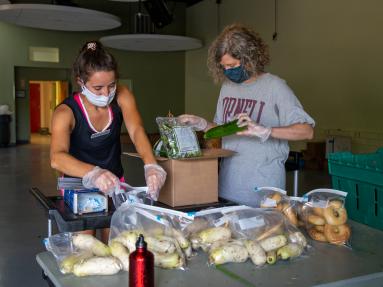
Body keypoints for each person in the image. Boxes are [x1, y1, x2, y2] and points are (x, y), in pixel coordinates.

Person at [178, 24, 315, 207]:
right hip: (227, 189)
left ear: (249, 58)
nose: (228, 71)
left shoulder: (275, 87)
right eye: (224, 67)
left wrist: (266, 131)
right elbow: (221, 130)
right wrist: (202, 124)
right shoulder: (227, 87)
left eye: (232, 65)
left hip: (265, 193)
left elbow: (306, 131)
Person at [50, 40, 166, 239]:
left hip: (114, 182)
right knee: (86, 244)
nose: (106, 93)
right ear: (80, 82)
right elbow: (57, 158)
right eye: (98, 87)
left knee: (116, 241)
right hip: (78, 186)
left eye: (111, 85)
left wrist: (151, 165)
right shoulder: (65, 112)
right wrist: (93, 173)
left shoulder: (122, 96)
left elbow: (136, 129)